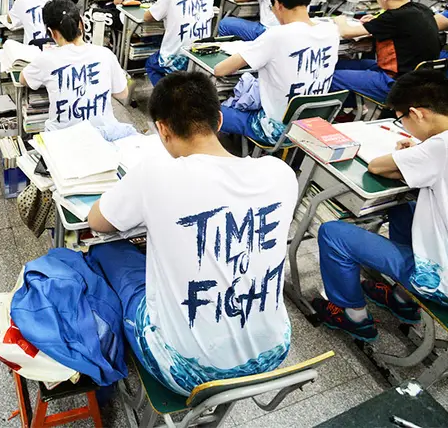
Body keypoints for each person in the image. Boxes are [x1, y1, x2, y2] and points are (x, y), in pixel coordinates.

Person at [86, 71, 297, 396]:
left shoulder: (155, 173)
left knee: (104, 252)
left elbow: (97, 221)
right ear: (219, 120)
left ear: (163, 129)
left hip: (187, 372)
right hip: (273, 352)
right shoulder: (280, 174)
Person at [313, 71, 448, 340]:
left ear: (418, 114)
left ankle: (353, 316)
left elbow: (378, 167)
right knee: (403, 209)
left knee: (333, 234)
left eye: (402, 120)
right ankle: (402, 299)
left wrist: (415, 152)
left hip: (445, 282)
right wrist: (421, 151)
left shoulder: (443, 146)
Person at [215, 0, 339, 144]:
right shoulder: (331, 31)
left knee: (203, 111)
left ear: (278, 5)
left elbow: (220, 70)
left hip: (277, 131)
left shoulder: (276, 35)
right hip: (312, 125)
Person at [330, 0, 442, 104]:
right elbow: (400, 28)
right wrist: (376, 22)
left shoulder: (394, 16)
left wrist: (340, 20)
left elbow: (346, 32)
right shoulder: (422, 9)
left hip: (397, 83)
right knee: (339, 64)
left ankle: (342, 109)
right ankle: (355, 106)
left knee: (330, 76)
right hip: (418, 79)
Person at [20, 0, 129, 131]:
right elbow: (122, 93)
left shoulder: (46, 58)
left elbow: (23, 79)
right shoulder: (105, 54)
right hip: (103, 134)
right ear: (81, 23)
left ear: (51, 33)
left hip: (63, 137)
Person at [143, 0, 215, 85]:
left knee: (150, 64)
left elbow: (147, 17)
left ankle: (167, 95)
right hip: (201, 59)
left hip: (176, 59)